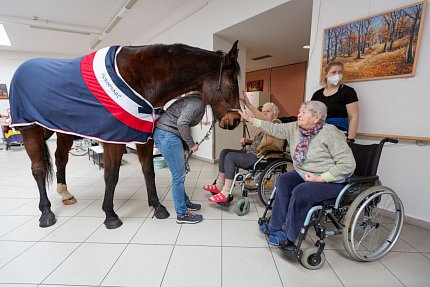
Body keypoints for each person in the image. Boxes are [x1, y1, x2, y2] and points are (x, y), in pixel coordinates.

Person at [239, 101, 355, 253]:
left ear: (317, 117)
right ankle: (275, 224)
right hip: (305, 174)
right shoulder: (295, 128)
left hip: (331, 179)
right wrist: (251, 119)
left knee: (302, 191)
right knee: (283, 180)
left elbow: (348, 165)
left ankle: (289, 234)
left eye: (303, 112)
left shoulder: (330, 133)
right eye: (299, 111)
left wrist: (320, 179)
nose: (299, 115)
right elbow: (274, 128)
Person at [205, 92, 284, 203]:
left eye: (268, 111)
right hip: (251, 152)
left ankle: (225, 192)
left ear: (275, 114)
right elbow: (261, 139)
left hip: (261, 157)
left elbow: (268, 129)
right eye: (263, 111)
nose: (265, 113)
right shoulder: (265, 128)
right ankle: (219, 185)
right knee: (224, 152)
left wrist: (250, 107)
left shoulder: (276, 125)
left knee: (230, 157)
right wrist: (248, 140)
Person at [153, 93, 204, 224]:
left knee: (179, 175)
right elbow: (182, 123)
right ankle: (181, 214)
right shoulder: (197, 103)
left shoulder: (194, 100)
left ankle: (185, 202)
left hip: (168, 135)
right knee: (178, 177)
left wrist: (185, 146)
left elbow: (179, 123)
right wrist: (192, 145)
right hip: (168, 136)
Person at [311, 61, 359, 142]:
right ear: (326, 75)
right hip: (319, 133)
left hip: (338, 133)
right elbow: (311, 115)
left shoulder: (347, 91)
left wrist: (350, 139)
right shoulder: (317, 94)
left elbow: (354, 116)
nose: (337, 75)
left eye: (340, 72)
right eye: (333, 72)